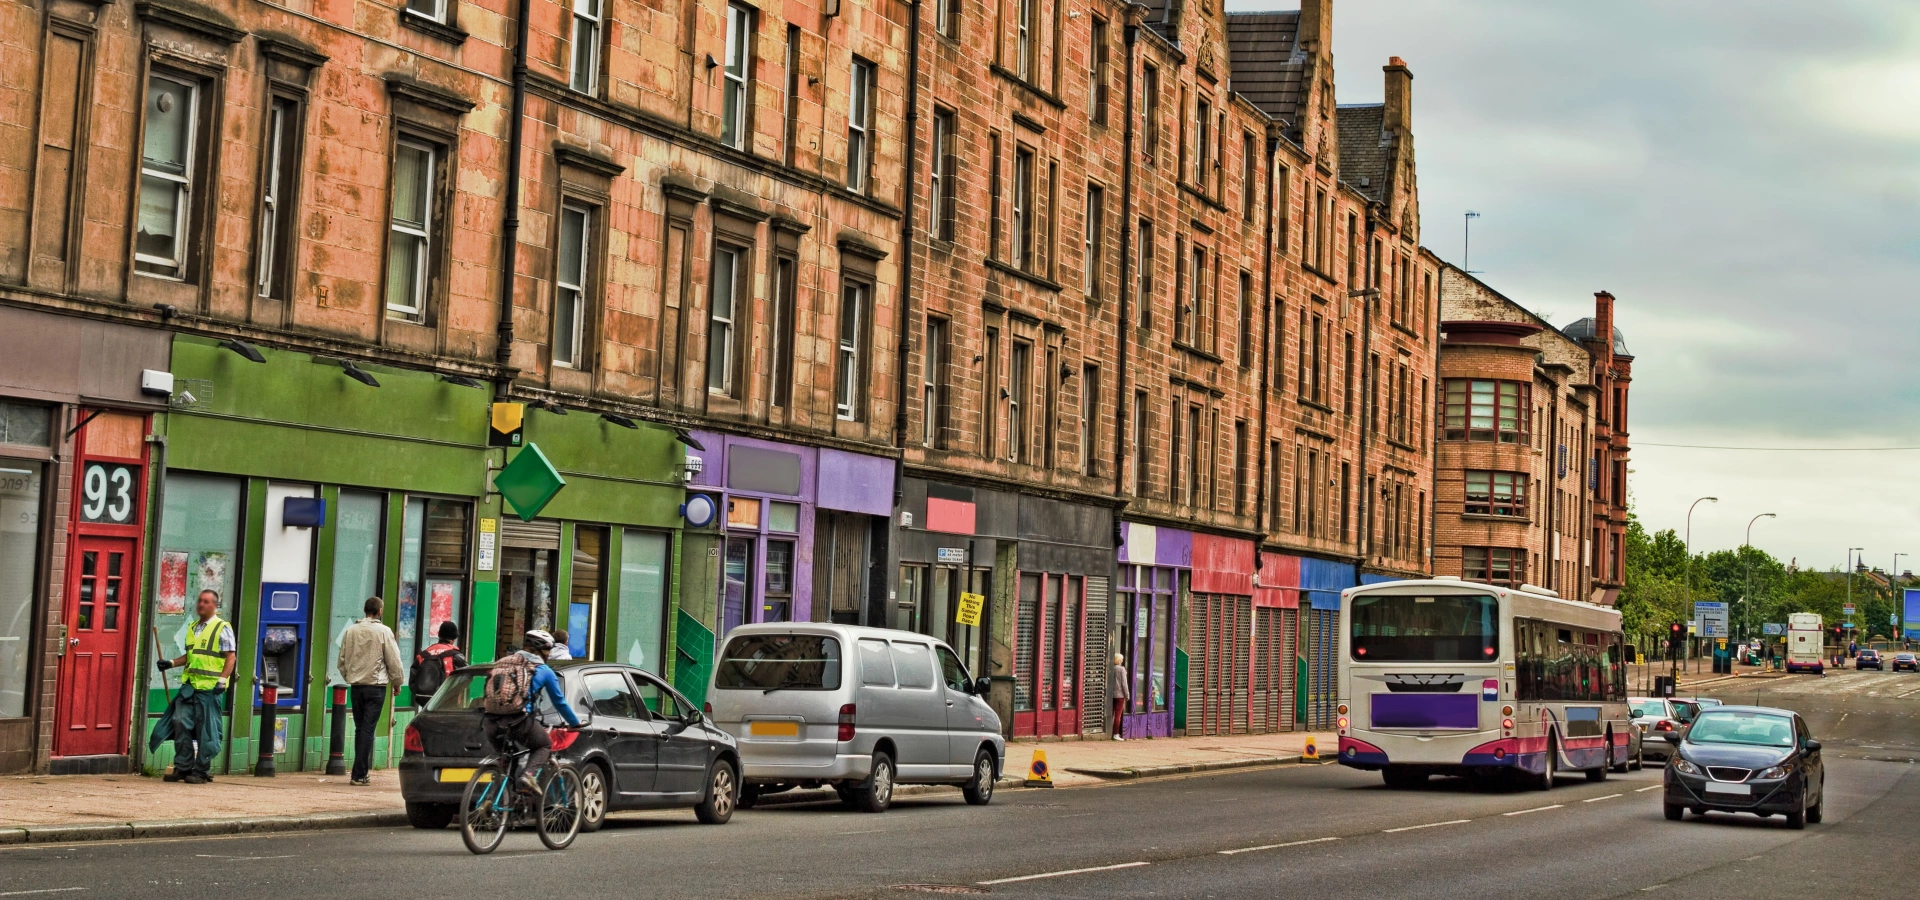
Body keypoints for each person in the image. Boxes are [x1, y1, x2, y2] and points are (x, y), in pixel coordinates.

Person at [482, 630, 582, 794]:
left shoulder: (503, 663)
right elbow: (559, 702)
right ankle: (529, 775)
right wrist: (574, 723)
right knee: (544, 745)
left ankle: (495, 801)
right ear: (543, 651)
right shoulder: (544, 670)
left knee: (507, 759)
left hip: (490, 722)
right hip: (518, 721)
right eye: (548, 650)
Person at [151, 590, 235, 784]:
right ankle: (182, 767)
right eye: (199, 601)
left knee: (206, 730)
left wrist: (222, 681)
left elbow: (231, 657)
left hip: (209, 689)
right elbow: (191, 656)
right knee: (179, 722)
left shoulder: (222, 627)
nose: (201, 605)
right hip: (189, 688)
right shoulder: (192, 628)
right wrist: (170, 663)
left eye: (205, 602)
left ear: (214, 605)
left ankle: (201, 771)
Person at [337, 597, 406, 786]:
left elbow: (342, 660)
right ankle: (359, 774)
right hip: (376, 687)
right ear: (380, 611)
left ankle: (360, 772)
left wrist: (350, 676)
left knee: (361, 729)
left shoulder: (351, 630)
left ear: (365, 610)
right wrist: (397, 682)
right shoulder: (384, 631)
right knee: (368, 729)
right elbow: (394, 660)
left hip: (356, 686)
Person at [410, 621, 468, 703]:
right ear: (453, 639)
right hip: (447, 700)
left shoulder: (424, 654)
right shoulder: (455, 655)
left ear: (439, 635)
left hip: (425, 701)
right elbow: (466, 677)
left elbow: (412, 680)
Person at [1109, 652, 1129, 741]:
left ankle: (1109, 732)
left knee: (1111, 714)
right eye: (1121, 659)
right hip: (1120, 695)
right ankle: (1116, 734)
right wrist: (1127, 695)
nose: (1122, 660)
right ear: (1118, 660)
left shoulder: (1111, 668)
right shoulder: (1121, 669)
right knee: (1118, 715)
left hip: (1111, 695)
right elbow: (1124, 684)